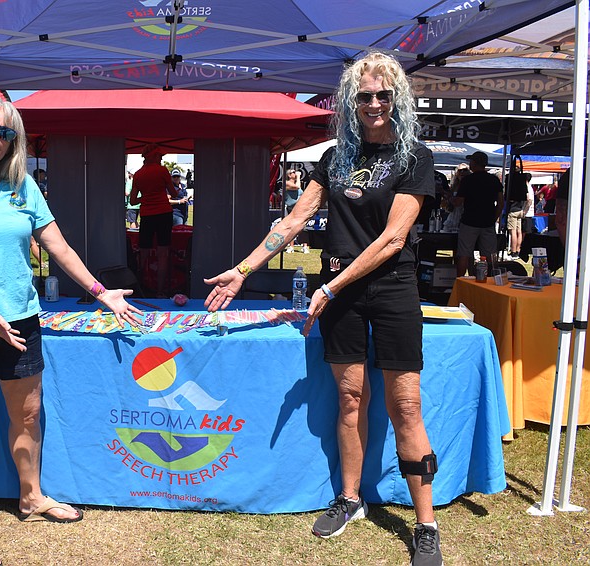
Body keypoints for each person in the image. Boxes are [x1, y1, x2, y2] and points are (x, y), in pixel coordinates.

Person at [203, 51, 442, 566]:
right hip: (339, 293)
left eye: (383, 95)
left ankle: (426, 524)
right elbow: (290, 223)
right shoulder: (336, 158)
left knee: (405, 407)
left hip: (391, 288)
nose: (375, 103)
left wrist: (332, 287)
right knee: (351, 397)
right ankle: (350, 498)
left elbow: (393, 238)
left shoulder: (414, 157)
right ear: (350, 103)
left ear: (397, 97)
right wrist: (242, 271)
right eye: (364, 96)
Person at [0, 98, 142, 566]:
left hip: (20, 323)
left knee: (29, 416)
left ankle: (31, 496)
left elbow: (58, 245)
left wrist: (102, 292)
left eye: (6, 132)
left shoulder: (21, 187)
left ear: (13, 144)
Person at [128, 143, 180, 297]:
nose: (161, 159)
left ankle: (140, 288)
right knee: (163, 253)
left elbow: (132, 201)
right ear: (154, 156)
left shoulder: (138, 174)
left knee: (143, 253)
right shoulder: (162, 171)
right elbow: (174, 194)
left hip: (146, 215)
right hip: (163, 213)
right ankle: (160, 291)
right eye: (160, 156)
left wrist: (146, 197)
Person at [453, 152, 504, 277]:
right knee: (490, 256)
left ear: (474, 163)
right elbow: (501, 203)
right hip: (487, 222)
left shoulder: (468, 180)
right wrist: (493, 219)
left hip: (469, 222)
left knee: (464, 254)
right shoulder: (494, 180)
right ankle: (490, 282)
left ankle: (460, 282)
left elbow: (458, 202)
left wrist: (451, 198)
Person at [506, 171, 533, 260]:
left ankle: (514, 251)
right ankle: (517, 249)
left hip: (514, 211)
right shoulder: (524, 188)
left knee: (513, 232)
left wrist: (525, 211)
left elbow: (529, 199)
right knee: (519, 231)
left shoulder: (519, 187)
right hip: (520, 210)